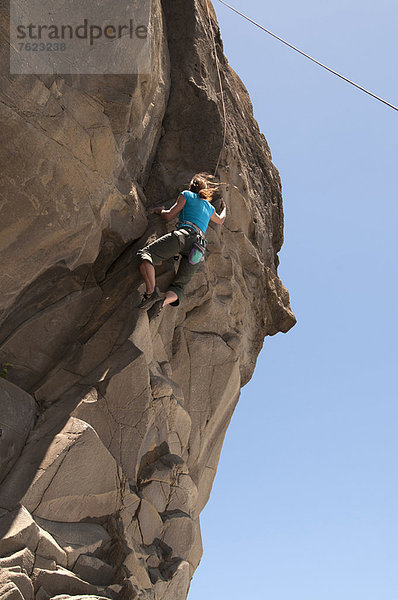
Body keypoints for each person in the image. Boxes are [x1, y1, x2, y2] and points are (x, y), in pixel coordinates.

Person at [137, 174, 227, 317]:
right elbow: (221, 220)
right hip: (199, 248)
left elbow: (169, 216)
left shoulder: (187, 195)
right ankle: (162, 303)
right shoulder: (209, 207)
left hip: (184, 236)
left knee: (146, 254)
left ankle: (150, 293)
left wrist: (160, 210)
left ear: (191, 186)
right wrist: (224, 209)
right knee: (179, 286)